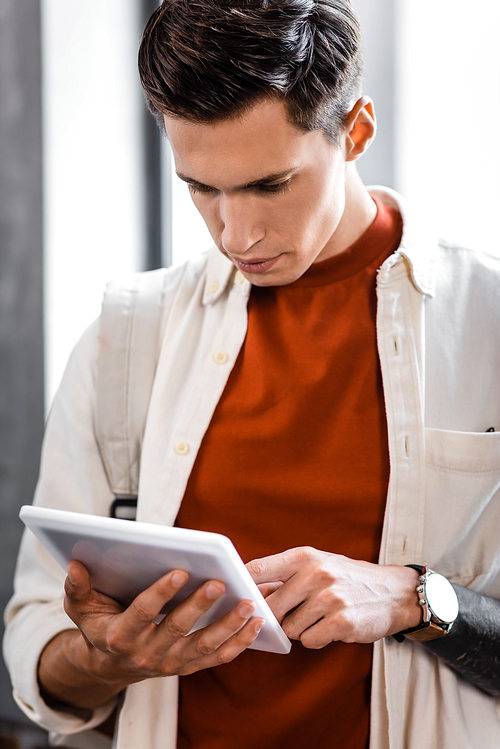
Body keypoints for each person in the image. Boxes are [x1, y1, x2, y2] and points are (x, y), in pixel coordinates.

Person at [4, 1, 500, 747]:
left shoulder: (490, 320)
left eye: (270, 185)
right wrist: (109, 657)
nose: (236, 234)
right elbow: (37, 649)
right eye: (201, 187)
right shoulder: (126, 333)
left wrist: (416, 596)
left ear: (357, 130)